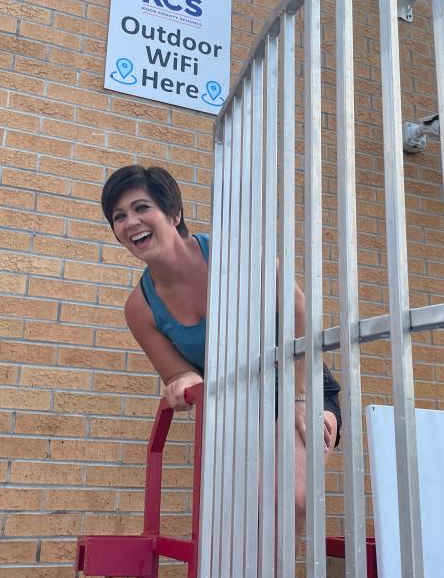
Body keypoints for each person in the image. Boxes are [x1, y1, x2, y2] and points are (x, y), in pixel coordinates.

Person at [100, 164, 341, 535]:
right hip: (238, 413)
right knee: (244, 525)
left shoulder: (236, 256)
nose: (130, 221)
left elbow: (302, 316)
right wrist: (181, 381)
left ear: (174, 214)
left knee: (289, 498)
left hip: (301, 388)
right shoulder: (140, 308)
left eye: (141, 208)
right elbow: (178, 372)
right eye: (119, 217)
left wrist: (298, 398)